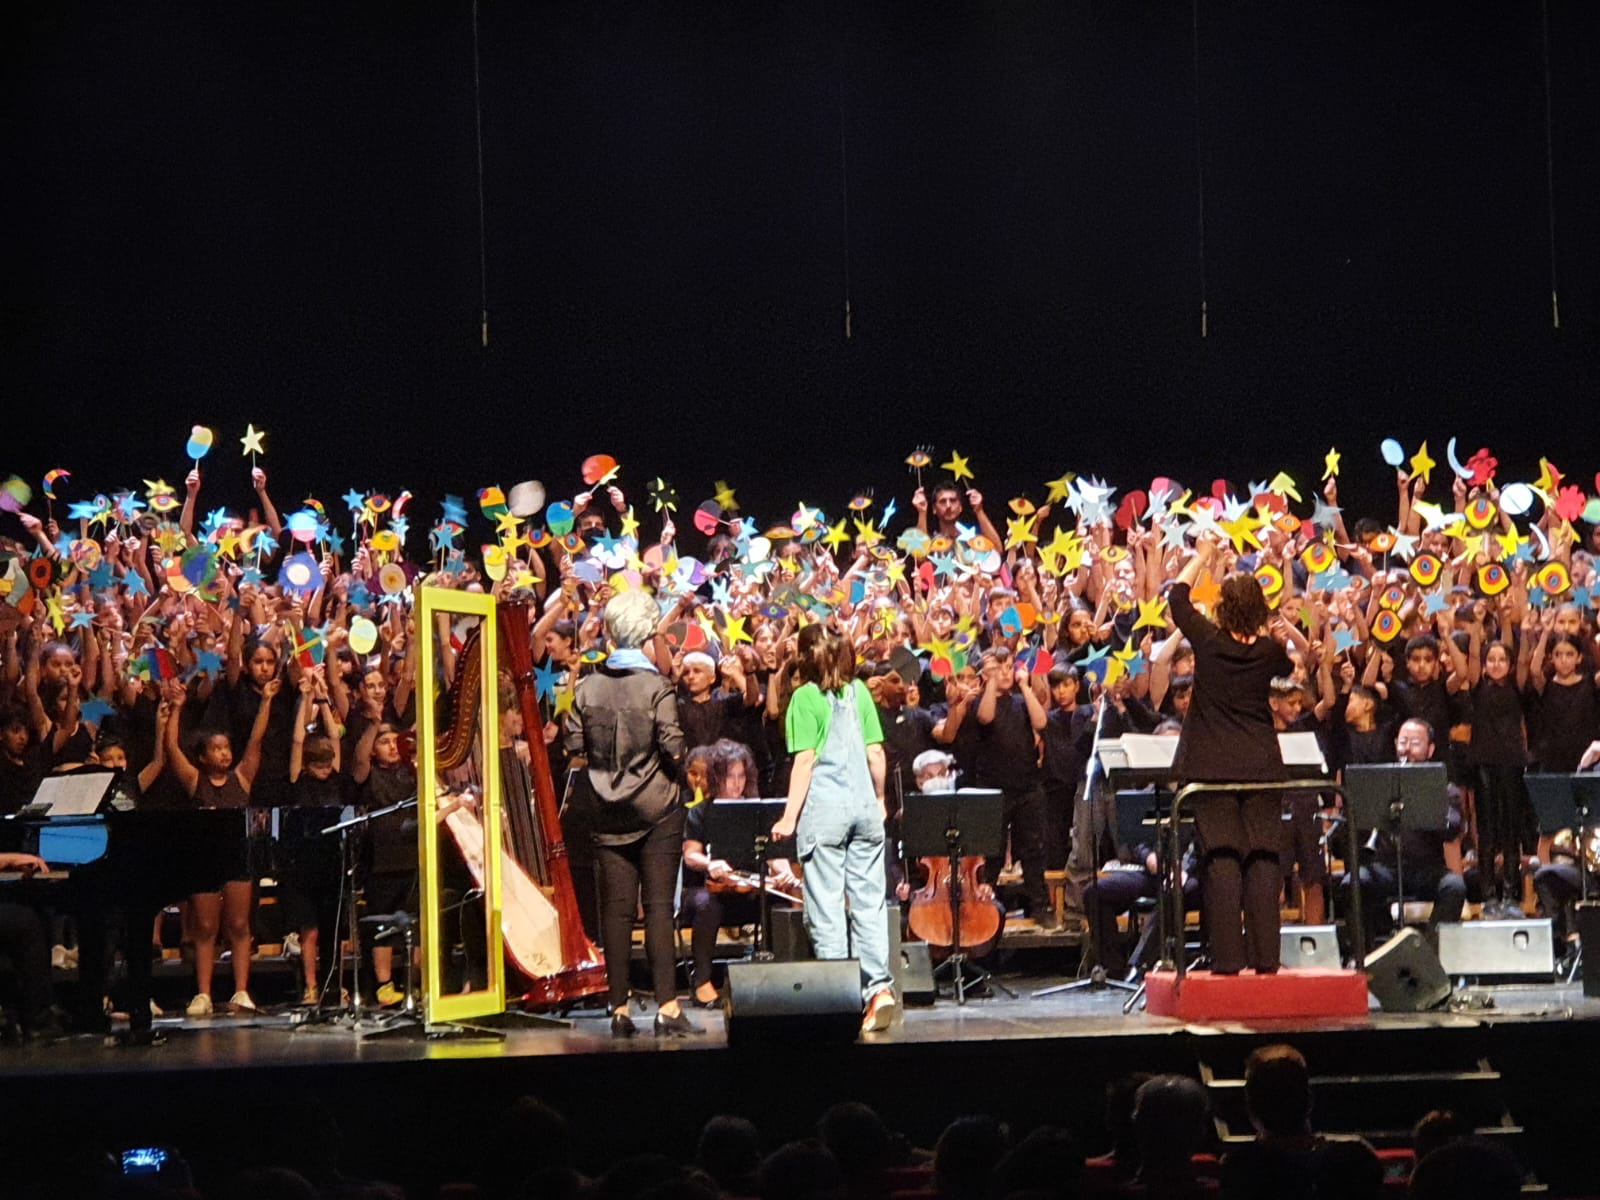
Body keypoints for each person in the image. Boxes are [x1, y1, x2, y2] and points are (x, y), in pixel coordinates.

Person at [565, 588, 693, 1038]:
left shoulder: (586, 686)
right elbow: (673, 747)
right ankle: (668, 1008)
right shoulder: (657, 687)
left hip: (604, 808)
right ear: (646, 632)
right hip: (657, 808)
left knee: (616, 913)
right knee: (657, 907)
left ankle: (618, 1010)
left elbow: (573, 745)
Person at [1168, 537, 1295, 975]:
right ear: (1260, 610)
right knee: (1262, 856)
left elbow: (1176, 597)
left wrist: (1203, 555)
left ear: (1222, 608)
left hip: (1213, 766)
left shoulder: (1208, 642)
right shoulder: (1268, 651)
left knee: (1221, 856)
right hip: (1261, 762)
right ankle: (1266, 959)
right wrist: (1272, 635)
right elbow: (1287, 667)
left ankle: (1227, 960)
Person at [771, 623, 896, 1033]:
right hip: (864, 810)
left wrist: (789, 817)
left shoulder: (804, 698)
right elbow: (875, 753)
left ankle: (840, 1000)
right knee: (869, 905)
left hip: (826, 813)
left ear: (804, 658)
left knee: (826, 909)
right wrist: (880, 799)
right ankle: (879, 990)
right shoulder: (860, 691)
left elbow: (805, 761)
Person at [163, 675, 279, 1015]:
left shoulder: (241, 778)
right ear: (202, 756)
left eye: (226, 748)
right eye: (216, 748)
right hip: (204, 859)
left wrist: (266, 701)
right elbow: (172, 749)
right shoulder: (195, 780)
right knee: (205, 927)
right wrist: (177, 709)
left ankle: (241, 990)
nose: (224, 753)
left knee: (240, 925)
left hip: (237, 858)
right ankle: (203, 993)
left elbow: (256, 740)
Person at [1339, 719, 1468, 952]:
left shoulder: (1444, 789)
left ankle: (1429, 950)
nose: (1407, 749)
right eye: (1403, 742)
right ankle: (1368, 953)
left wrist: (1424, 803)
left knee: (1454, 886)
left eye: (1415, 743)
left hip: (1426, 869)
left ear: (1430, 749)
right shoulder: (1380, 787)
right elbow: (1353, 825)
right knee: (1354, 883)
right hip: (1386, 868)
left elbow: (1453, 828)